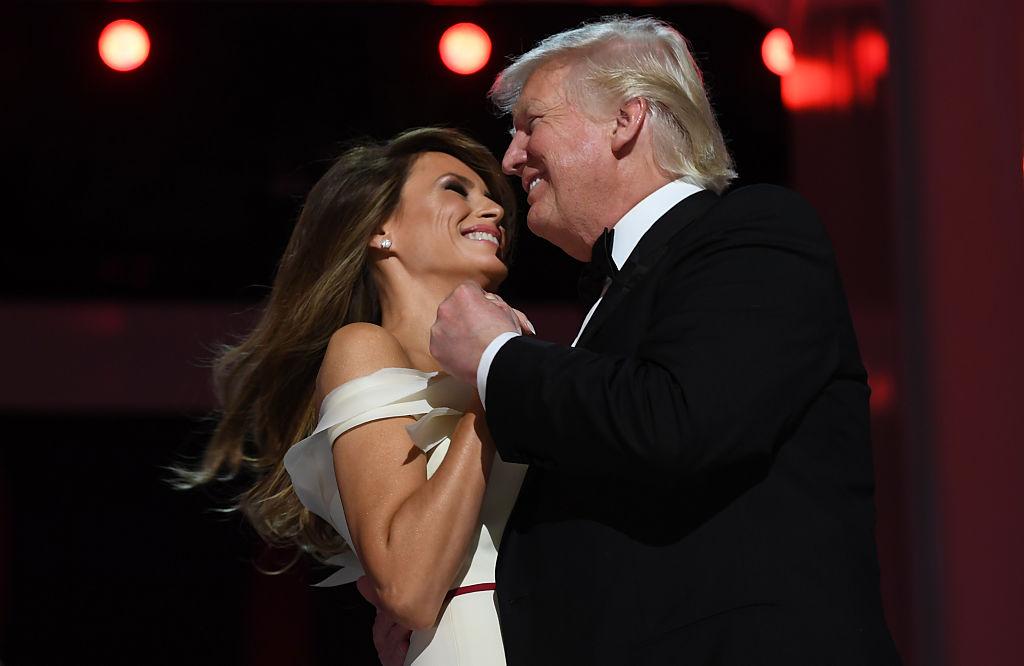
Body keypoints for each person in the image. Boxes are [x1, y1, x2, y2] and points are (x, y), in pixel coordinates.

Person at [375, 15, 902, 666]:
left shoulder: (756, 227)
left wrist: (494, 357)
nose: (511, 159)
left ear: (626, 121)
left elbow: (677, 420)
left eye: (531, 124)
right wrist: (456, 618)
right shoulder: (611, 298)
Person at [177, 127, 533, 664]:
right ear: (379, 230)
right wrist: (494, 390)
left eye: (489, 196)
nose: (491, 208)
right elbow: (408, 590)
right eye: (455, 189)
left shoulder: (522, 358)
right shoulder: (363, 349)